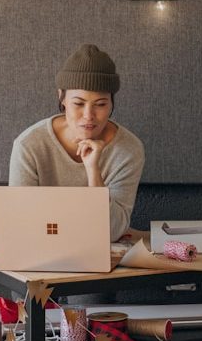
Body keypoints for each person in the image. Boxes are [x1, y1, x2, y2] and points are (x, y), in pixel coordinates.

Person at [9, 43, 145, 241]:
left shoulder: (129, 149)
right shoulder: (29, 145)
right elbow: (19, 222)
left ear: (111, 103)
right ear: (61, 98)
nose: (89, 116)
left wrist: (93, 172)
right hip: (41, 247)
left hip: (101, 254)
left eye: (100, 104)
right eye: (78, 104)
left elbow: (111, 232)